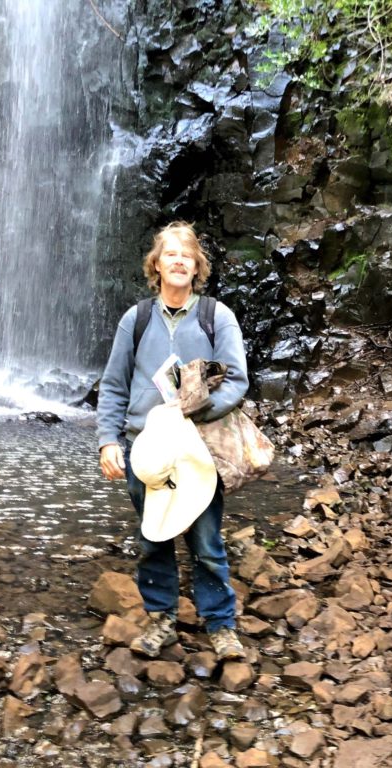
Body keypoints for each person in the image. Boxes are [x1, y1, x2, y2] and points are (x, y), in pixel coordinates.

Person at [97, 221, 249, 660]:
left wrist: (193, 412)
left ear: (197, 265)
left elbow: (237, 380)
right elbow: (113, 384)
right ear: (157, 265)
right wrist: (108, 440)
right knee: (152, 538)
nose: (179, 260)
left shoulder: (215, 316)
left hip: (199, 447)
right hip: (144, 448)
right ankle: (161, 619)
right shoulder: (137, 319)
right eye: (171, 254)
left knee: (206, 539)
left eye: (187, 254)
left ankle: (220, 625)